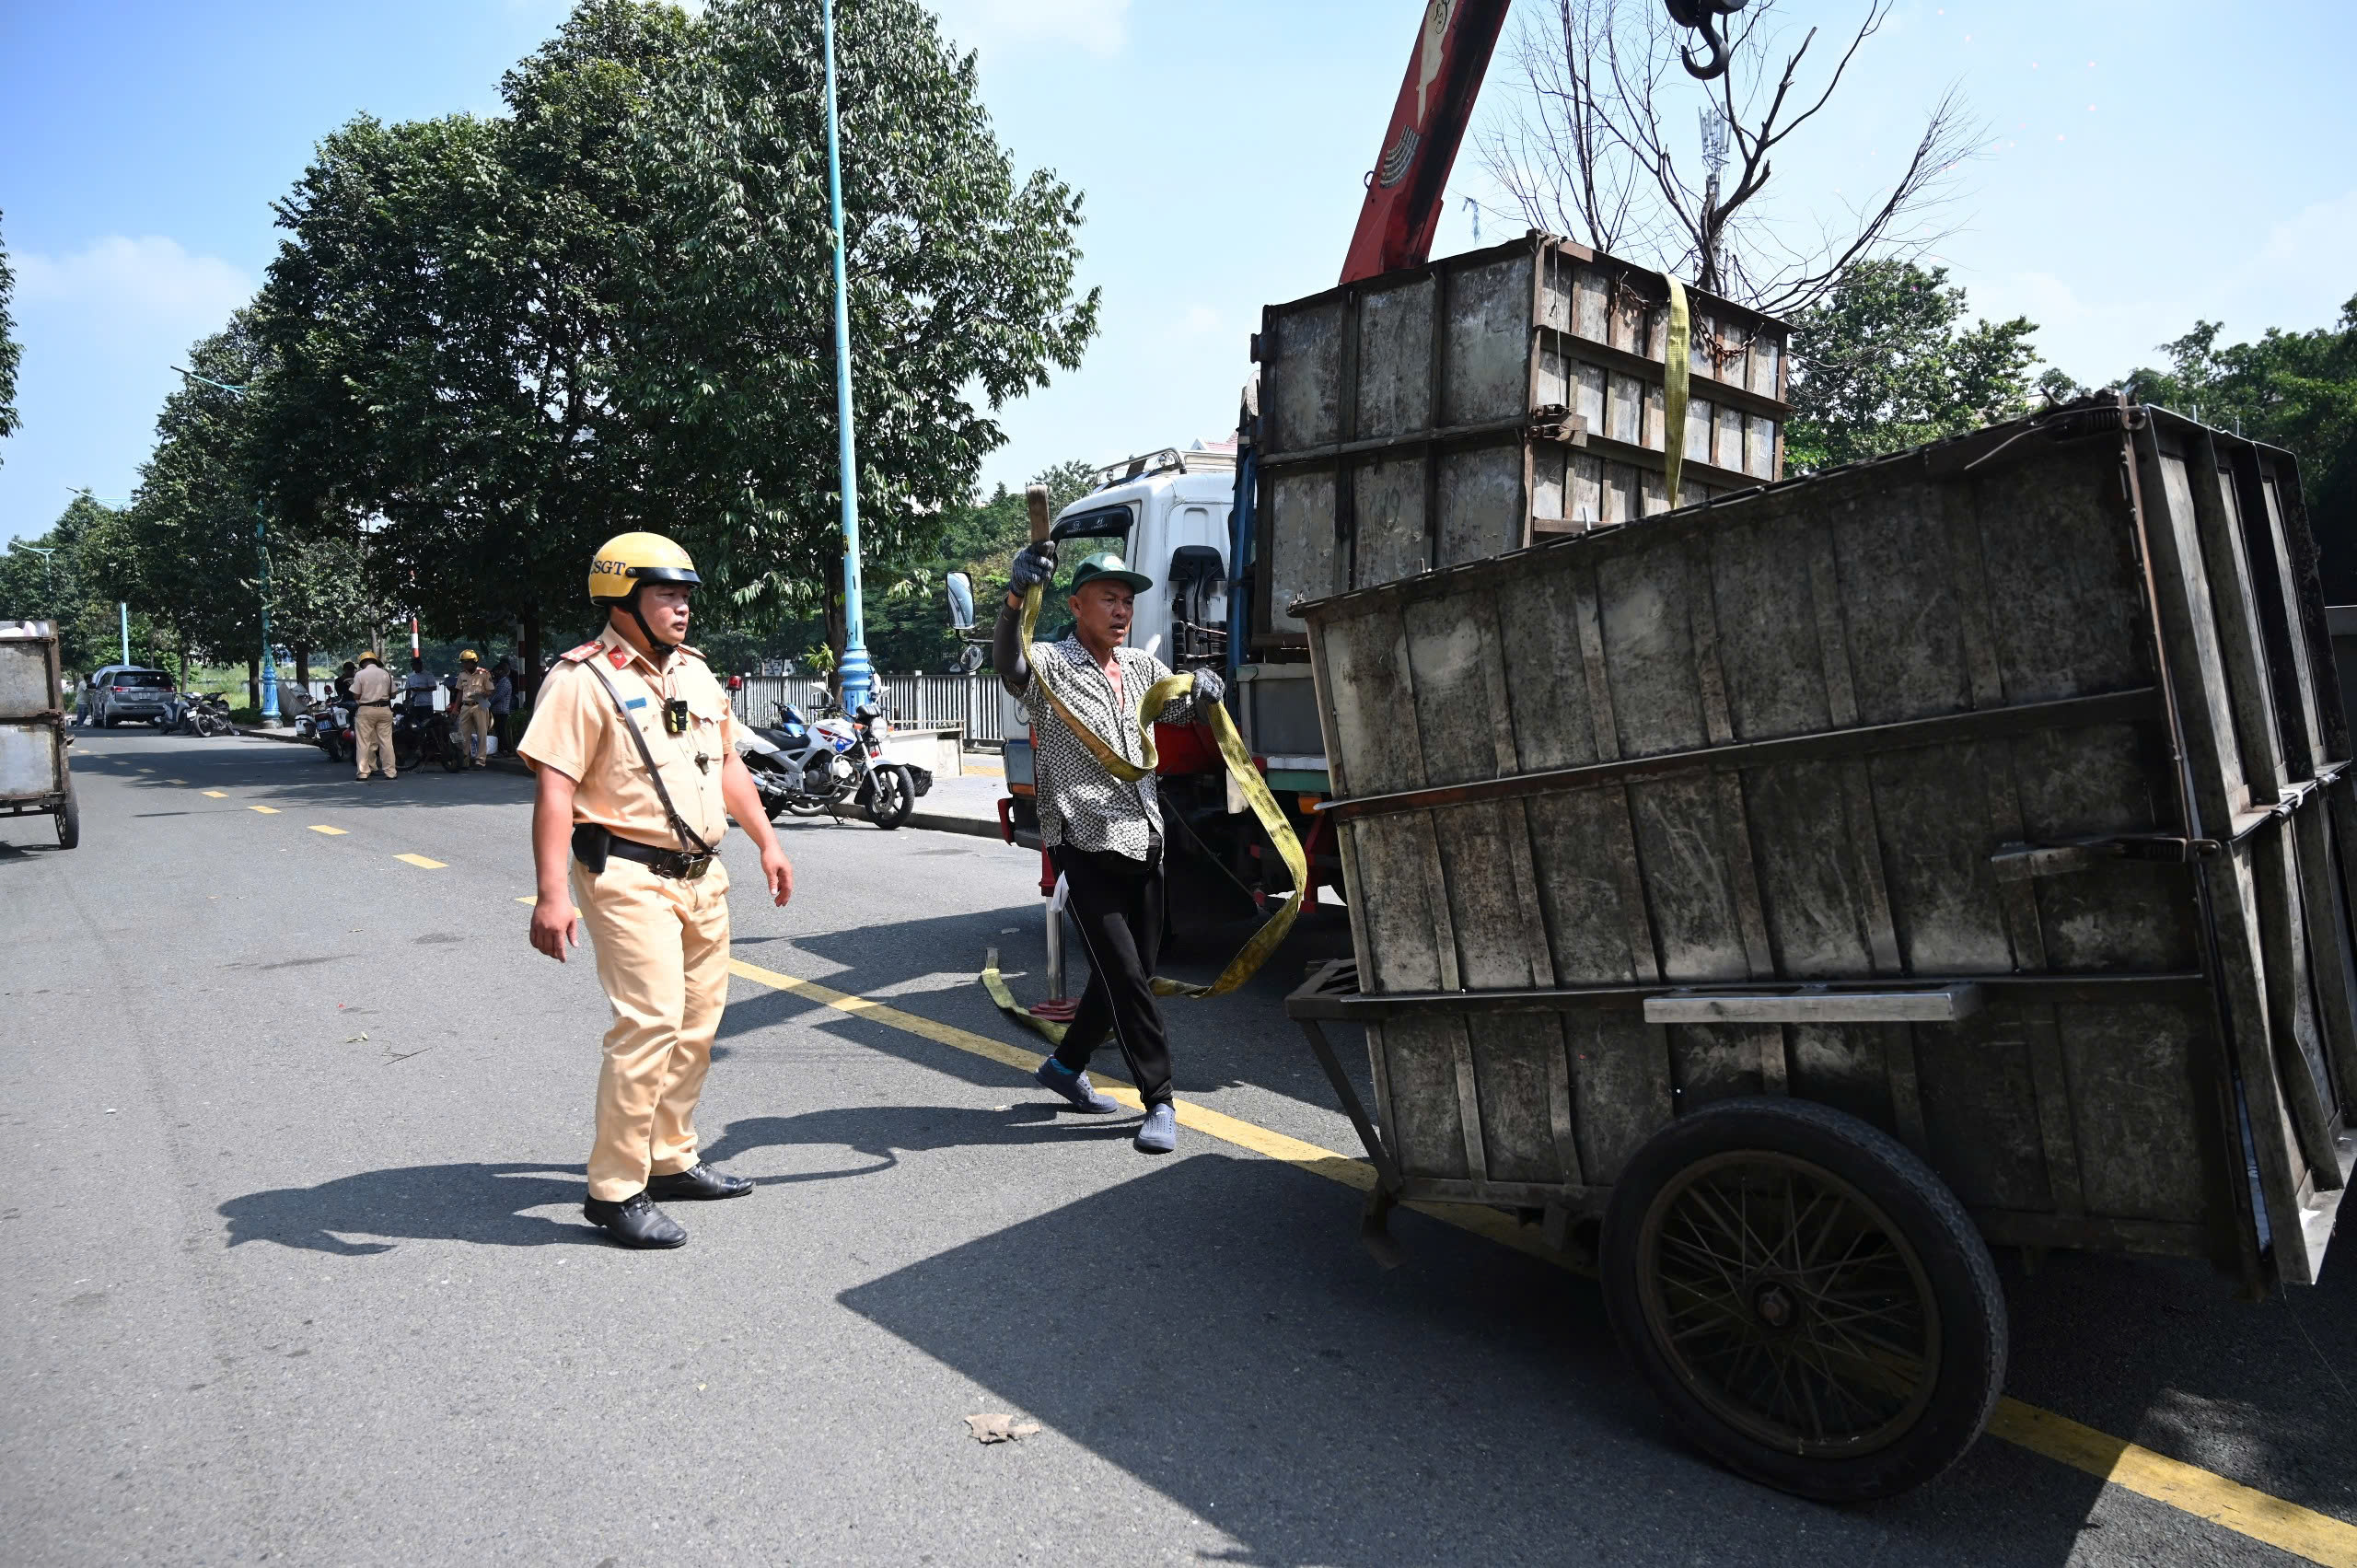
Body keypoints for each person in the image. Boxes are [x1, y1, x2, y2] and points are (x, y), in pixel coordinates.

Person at [519, 531, 795, 1249]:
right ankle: (615, 1188)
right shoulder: (582, 680)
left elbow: (727, 762)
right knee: (649, 1024)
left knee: (699, 1024)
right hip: (627, 875)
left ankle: (670, 1156)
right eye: (666, 594)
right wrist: (553, 895)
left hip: (703, 874)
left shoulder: (698, 674)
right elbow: (555, 790)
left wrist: (767, 840)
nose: (682, 608)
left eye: (685, 595)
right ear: (624, 600)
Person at [992, 541, 1225, 1155]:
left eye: (1127, 601)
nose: (1122, 611)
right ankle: (1160, 1097)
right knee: (1127, 977)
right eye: (1108, 599)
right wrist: (1015, 599)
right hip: (1084, 843)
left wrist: (1204, 683)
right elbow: (1009, 667)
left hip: (1145, 840)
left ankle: (1066, 1067)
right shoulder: (1053, 664)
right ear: (1076, 603)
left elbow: (1180, 708)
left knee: (1133, 971)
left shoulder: (1143, 669)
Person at [350, 651, 397, 780]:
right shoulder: (386, 674)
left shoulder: (360, 674)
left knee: (363, 743)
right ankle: (391, 772)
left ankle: (363, 773)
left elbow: (355, 695)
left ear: (362, 663)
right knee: (386, 742)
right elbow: (393, 695)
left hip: (366, 710)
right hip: (385, 710)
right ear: (376, 661)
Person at [454, 649, 495, 767]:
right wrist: (455, 709)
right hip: (465, 706)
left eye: (467, 662)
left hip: (479, 705)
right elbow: (459, 693)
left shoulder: (484, 674)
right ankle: (464, 761)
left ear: (474, 661)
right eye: (463, 662)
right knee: (462, 735)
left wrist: (483, 694)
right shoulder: (462, 674)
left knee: (481, 734)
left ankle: (480, 761)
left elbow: (490, 690)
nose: (465, 664)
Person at [491, 656, 516, 751]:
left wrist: (488, 704)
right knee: (499, 731)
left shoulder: (505, 682)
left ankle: (504, 750)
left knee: (501, 731)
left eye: (497, 671)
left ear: (501, 671)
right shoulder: (500, 682)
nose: (495, 673)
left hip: (501, 711)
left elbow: (498, 696)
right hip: (497, 710)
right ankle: (502, 749)